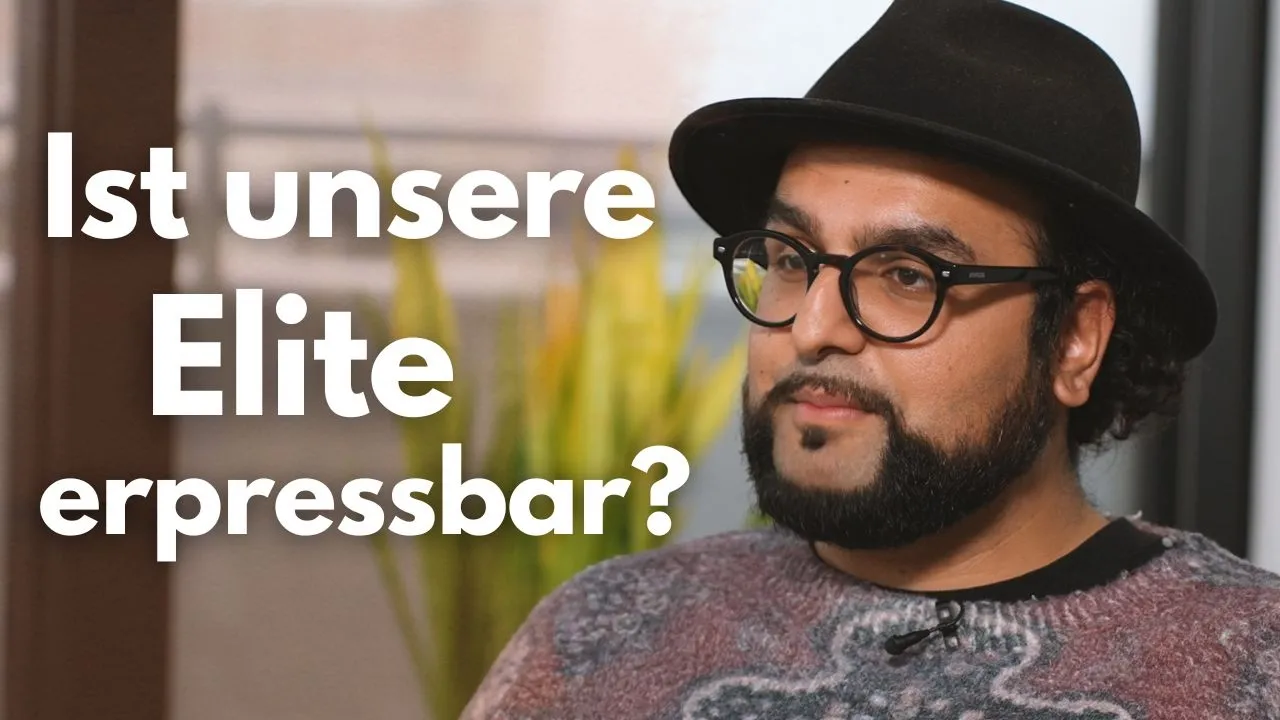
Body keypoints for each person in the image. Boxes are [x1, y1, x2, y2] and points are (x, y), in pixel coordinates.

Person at [463, 0, 1280, 717]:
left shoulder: (1248, 669)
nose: (813, 326)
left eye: (907, 275)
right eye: (789, 259)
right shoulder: (595, 641)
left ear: (1075, 337)